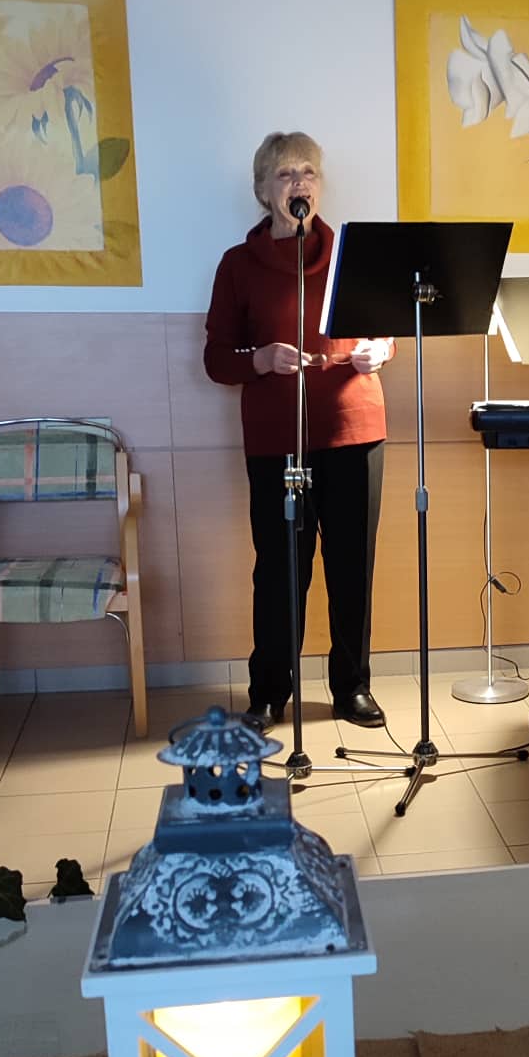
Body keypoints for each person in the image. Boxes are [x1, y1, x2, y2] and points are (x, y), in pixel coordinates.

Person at [204, 131, 393, 728]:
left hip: (353, 428)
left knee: (351, 567)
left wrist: (380, 350)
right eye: (286, 174)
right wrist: (259, 358)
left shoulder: (351, 254)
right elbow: (216, 359)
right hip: (276, 438)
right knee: (280, 570)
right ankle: (268, 691)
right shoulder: (238, 265)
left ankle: (351, 686)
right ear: (264, 190)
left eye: (308, 172)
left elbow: (385, 331)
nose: (299, 183)